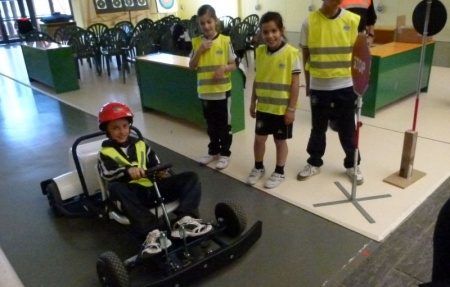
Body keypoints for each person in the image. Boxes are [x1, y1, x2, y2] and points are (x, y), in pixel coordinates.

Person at [97, 102, 212, 256]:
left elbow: (155, 163)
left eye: (124, 126)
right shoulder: (105, 152)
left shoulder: (141, 145)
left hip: (152, 189)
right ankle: (152, 232)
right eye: (115, 128)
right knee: (115, 188)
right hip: (130, 196)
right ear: (107, 131)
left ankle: (184, 219)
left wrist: (160, 172)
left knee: (191, 177)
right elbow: (107, 174)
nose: (122, 131)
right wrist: (127, 171)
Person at [298, 0, 364, 185]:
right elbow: (306, 54)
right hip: (320, 86)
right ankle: (314, 162)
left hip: (345, 85)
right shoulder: (309, 22)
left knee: (347, 129)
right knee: (318, 128)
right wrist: (308, 82)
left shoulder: (353, 20)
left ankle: (352, 164)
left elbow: (361, 56)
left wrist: (360, 85)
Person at [246, 12, 301, 189]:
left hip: (281, 110)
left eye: (274, 31)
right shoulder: (260, 52)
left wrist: (291, 109)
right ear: (261, 33)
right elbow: (257, 78)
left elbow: (295, 84)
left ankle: (279, 171)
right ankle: (258, 167)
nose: (270, 36)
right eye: (265, 32)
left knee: (279, 141)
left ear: (281, 30)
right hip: (264, 107)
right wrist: (253, 101)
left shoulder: (291, 54)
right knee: (259, 140)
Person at [189, 4, 238, 170]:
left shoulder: (225, 41)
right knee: (210, 125)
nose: (206, 26)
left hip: (222, 93)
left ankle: (225, 153)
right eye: (202, 23)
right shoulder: (196, 43)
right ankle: (213, 151)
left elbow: (234, 64)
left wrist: (223, 68)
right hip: (205, 93)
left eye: (209, 22)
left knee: (224, 125)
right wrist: (200, 51)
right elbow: (191, 65)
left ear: (215, 21)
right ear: (199, 25)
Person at [328, 0, 377, 132]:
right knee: (340, 78)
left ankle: (351, 115)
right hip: (340, 42)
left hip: (360, 42)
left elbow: (371, 19)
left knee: (358, 77)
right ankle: (334, 117)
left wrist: (370, 36)